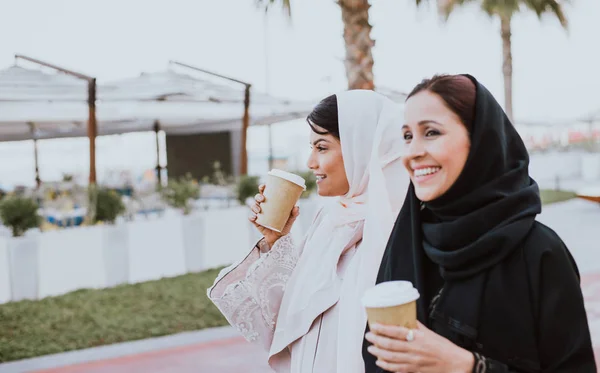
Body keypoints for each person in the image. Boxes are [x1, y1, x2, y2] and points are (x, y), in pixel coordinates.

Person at [363, 74, 597, 372]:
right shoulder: (408, 242)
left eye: (431, 132)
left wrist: (468, 366)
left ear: (480, 139)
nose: (412, 152)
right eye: (407, 136)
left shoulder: (539, 251)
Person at [208, 90, 409, 373]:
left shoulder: (402, 226)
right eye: (311, 148)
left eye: (322, 147)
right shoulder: (330, 220)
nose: (310, 162)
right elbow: (288, 318)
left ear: (361, 148)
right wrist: (275, 239)